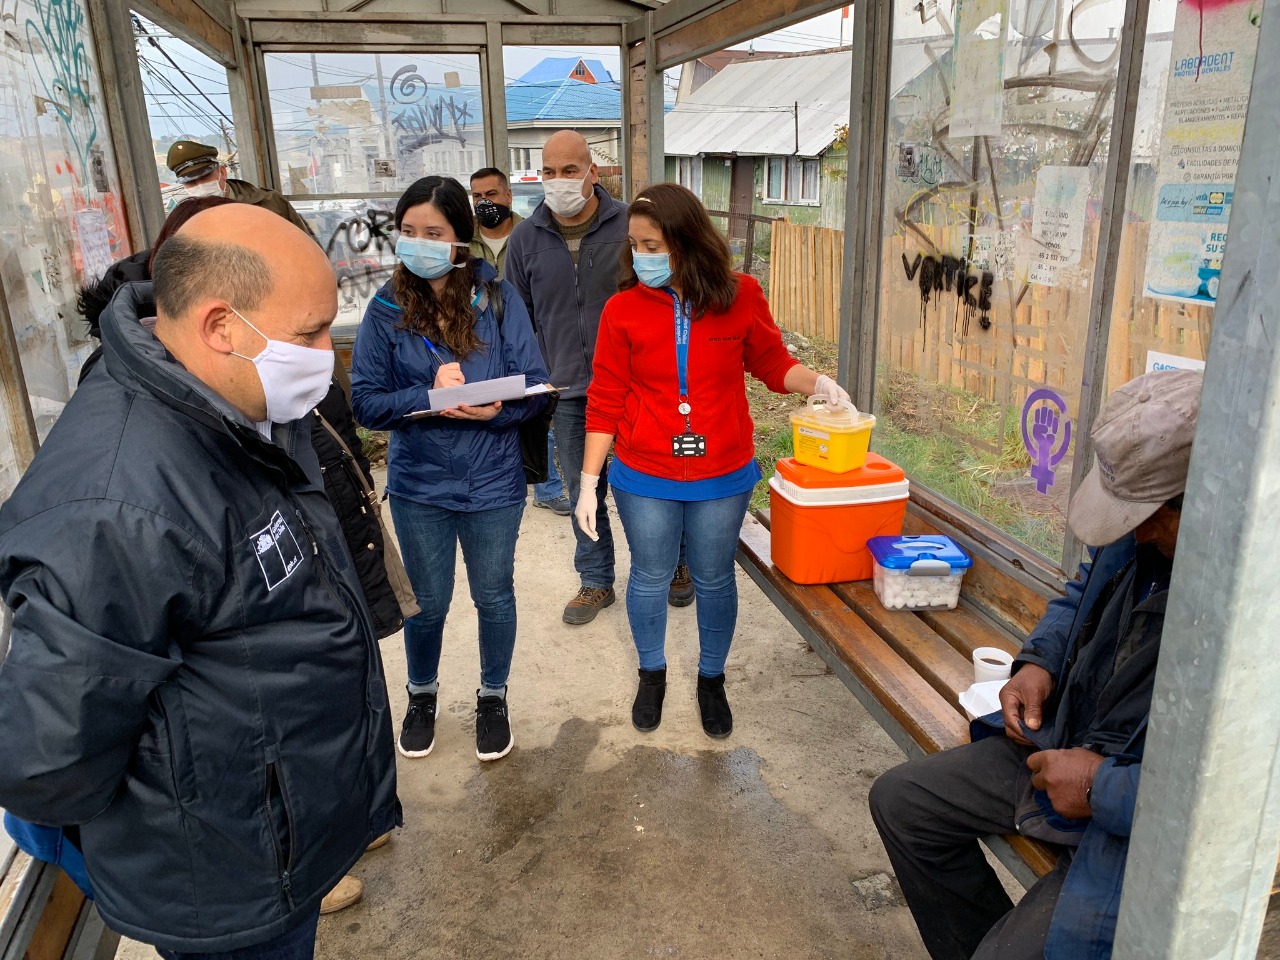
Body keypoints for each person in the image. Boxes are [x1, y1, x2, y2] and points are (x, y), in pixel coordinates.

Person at [0, 204, 400, 959]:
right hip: (227, 872)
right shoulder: (119, 503)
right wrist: (159, 839)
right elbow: (46, 758)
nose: (325, 354)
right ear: (221, 325)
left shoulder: (238, 397)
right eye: (311, 332)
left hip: (280, 831)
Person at [868, 368, 1203, 960]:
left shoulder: (1256, 613)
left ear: (1208, 497)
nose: (1138, 530)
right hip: (1070, 741)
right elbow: (1081, 592)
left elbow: (1233, 798)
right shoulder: (1149, 528)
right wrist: (1039, 663)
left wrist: (1104, 788)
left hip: (1148, 817)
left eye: (1152, 515)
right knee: (903, 802)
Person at [578, 183, 850, 739]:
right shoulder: (622, 309)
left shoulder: (740, 294)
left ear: (687, 241)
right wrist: (588, 483)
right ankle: (651, 672)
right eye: (635, 246)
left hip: (723, 472)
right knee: (651, 576)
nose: (641, 257)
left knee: (713, 577)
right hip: (645, 471)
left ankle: (711, 678)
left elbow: (772, 362)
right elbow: (605, 395)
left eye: (653, 244)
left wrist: (816, 383)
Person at [350, 175, 551, 764]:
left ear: (461, 238)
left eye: (433, 232)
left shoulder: (499, 300)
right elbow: (365, 401)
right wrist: (426, 393)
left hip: (493, 480)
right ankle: (421, 694)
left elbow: (537, 388)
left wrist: (494, 411)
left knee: (494, 596)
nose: (419, 243)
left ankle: (492, 696)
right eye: (408, 232)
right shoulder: (386, 308)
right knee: (428, 601)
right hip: (419, 485)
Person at [506, 130, 694, 624]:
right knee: (582, 492)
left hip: (638, 389)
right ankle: (595, 581)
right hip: (568, 390)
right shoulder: (526, 239)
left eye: (569, 170)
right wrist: (536, 379)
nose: (558, 181)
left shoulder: (630, 226)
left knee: (655, 483)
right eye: (548, 172)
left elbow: (668, 295)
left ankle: (676, 565)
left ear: (593, 172)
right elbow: (518, 319)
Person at [469, 166, 570, 517]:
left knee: (535, 409)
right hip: (478, 345)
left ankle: (546, 487)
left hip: (529, 337)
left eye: (491, 194)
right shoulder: (464, 242)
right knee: (486, 411)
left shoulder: (531, 235)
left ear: (508, 196)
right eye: (477, 196)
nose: (484, 202)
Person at [166, 139, 316, 239]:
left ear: (222, 172)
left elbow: (307, 248)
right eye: (191, 182)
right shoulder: (182, 222)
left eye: (205, 177)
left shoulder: (269, 203)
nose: (200, 186)